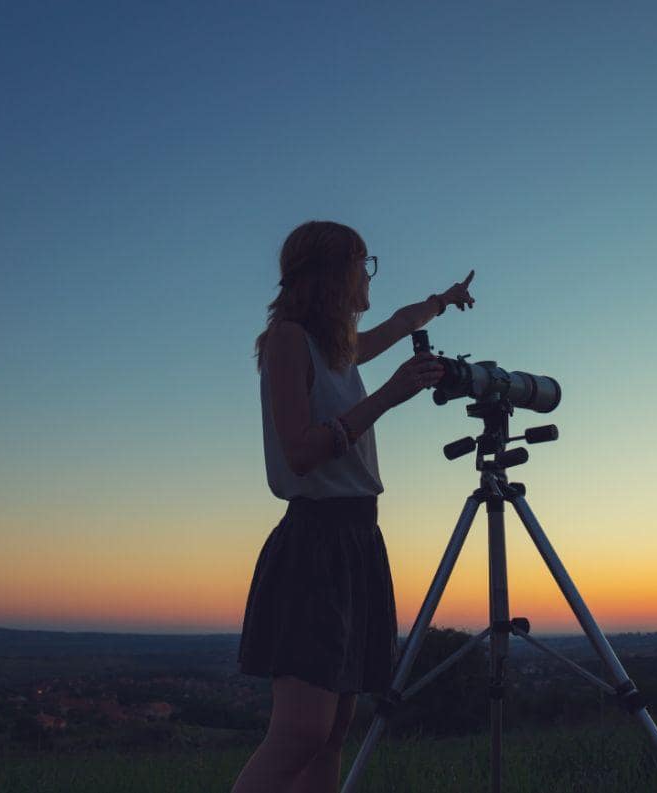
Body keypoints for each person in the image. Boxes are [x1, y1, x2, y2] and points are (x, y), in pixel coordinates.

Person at [231, 220, 476, 793]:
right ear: (330, 274)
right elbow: (299, 452)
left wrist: (442, 301)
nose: (369, 277)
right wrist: (389, 396)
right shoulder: (289, 340)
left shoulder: (336, 348)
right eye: (362, 264)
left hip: (357, 539)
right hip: (316, 542)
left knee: (333, 733)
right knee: (301, 733)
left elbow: (399, 323)